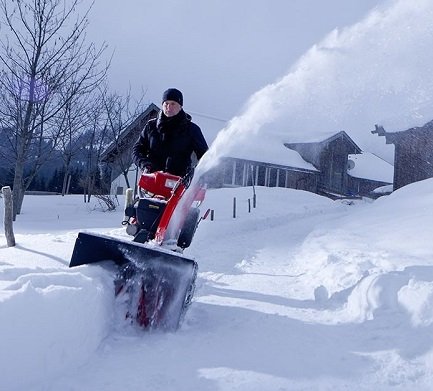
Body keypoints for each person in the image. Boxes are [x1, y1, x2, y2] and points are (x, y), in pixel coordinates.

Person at [132, 88, 208, 177]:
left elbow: (205, 156)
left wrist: (194, 173)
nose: (169, 107)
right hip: (152, 181)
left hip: (180, 184)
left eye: (173, 104)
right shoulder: (151, 127)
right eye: (166, 103)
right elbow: (137, 150)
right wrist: (145, 164)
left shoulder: (192, 129)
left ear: (180, 106)